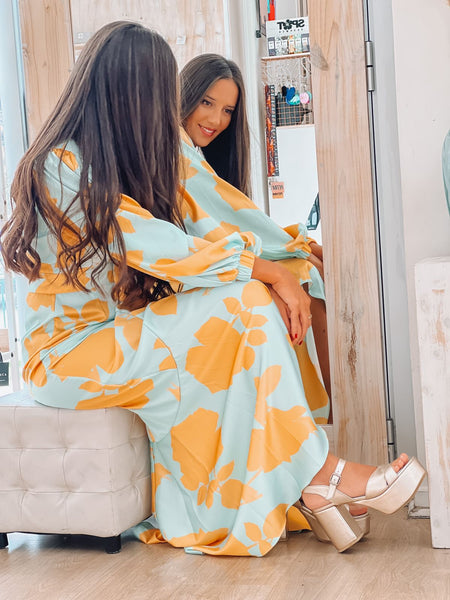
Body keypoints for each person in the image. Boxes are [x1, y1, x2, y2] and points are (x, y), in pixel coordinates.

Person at [1, 21, 425, 557]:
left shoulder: (113, 163)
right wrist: (269, 269)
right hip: (66, 358)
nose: (162, 110)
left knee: (247, 302)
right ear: (122, 90)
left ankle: (313, 482)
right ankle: (321, 476)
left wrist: (273, 269)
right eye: (157, 94)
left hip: (113, 336)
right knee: (246, 298)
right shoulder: (59, 164)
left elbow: (182, 239)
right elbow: (148, 242)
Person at [179, 53, 331, 414]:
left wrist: (300, 245)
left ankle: (327, 410)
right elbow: (221, 224)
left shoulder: (190, 154)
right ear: (185, 95)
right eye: (207, 103)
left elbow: (232, 218)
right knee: (306, 271)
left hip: (206, 261)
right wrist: (297, 244)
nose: (216, 120)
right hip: (188, 268)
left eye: (227, 111)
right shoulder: (176, 152)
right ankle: (333, 410)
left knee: (309, 265)